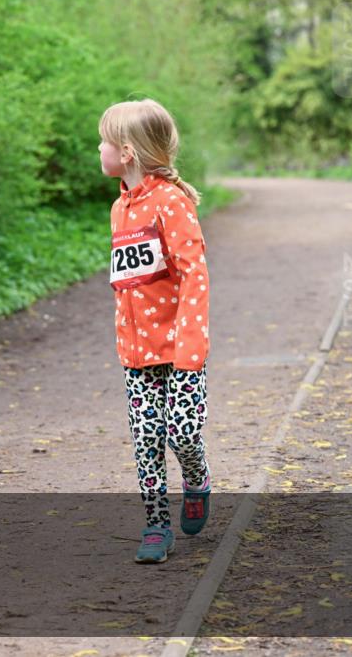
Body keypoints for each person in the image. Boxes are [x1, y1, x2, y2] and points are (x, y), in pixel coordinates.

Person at [98, 99, 212, 563]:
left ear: (126, 151)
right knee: (145, 440)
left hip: (181, 348)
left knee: (182, 434)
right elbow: (127, 282)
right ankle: (155, 525)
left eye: (102, 142)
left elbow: (194, 276)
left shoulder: (171, 202)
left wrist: (191, 347)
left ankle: (197, 476)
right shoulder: (119, 208)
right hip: (135, 352)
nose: (97, 150)